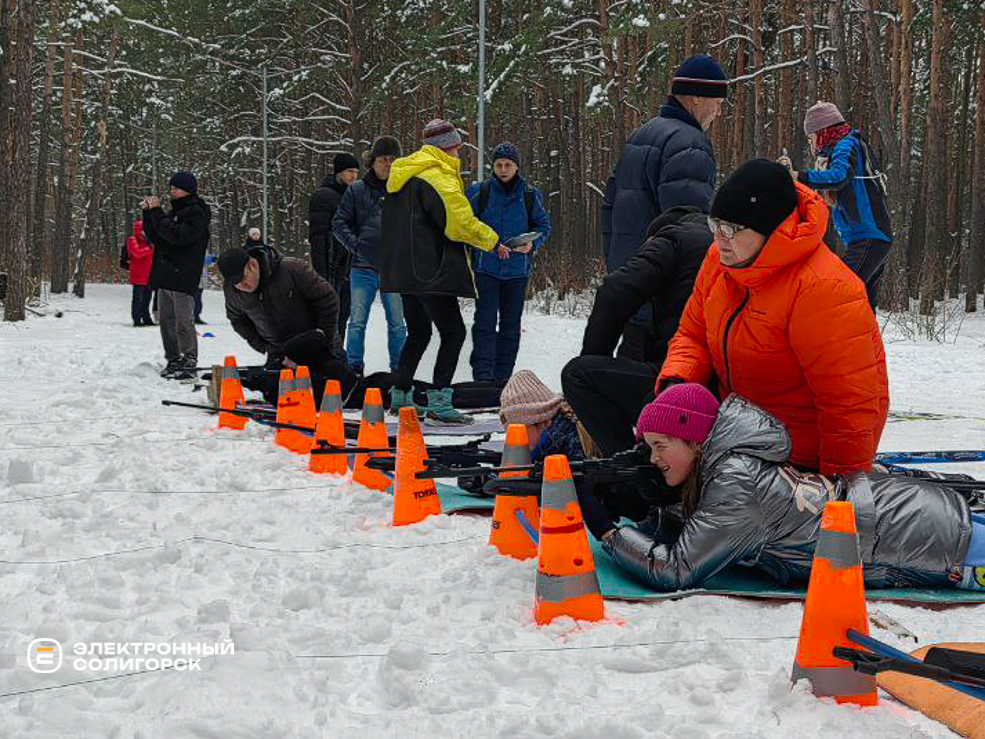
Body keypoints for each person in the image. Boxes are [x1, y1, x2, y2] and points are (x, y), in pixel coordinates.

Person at [580, 384, 984, 593]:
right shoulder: (732, 465)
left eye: (660, 446)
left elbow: (676, 570)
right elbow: (711, 526)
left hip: (936, 539)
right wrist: (655, 514)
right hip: (902, 514)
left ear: (696, 441)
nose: (653, 458)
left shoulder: (735, 480)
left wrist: (609, 532)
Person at [658, 159, 889, 475]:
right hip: (736, 434)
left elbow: (849, 406)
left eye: (730, 229)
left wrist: (839, 490)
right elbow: (692, 334)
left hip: (794, 456)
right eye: (714, 225)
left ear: (773, 231)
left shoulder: (823, 287)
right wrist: (677, 386)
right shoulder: (720, 259)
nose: (718, 238)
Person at [601, 54, 728, 361]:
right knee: (662, 392)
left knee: (629, 387)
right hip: (665, 300)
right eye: (717, 100)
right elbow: (689, 233)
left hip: (634, 287)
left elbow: (609, 208)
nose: (719, 110)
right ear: (696, 97)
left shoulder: (644, 133)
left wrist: (621, 271)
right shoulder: (690, 144)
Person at [561, 207, 712, 456]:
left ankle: (629, 465)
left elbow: (615, 291)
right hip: (720, 388)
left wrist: (593, 356)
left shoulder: (671, 238)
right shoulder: (723, 242)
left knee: (579, 375)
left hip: (681, 381)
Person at [379, 119, 500, 424]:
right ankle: (440, 400)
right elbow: (458, 223)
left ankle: (401, 395)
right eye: (457, 146)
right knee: (453, 331)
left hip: (404, 271)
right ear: (448, 147)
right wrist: (492, 240)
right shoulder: (438, 176)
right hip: (430, 270)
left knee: (418, 332)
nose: (460, 152)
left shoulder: (403, 175)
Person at [779, 102, 893, 311]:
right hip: (869, 237)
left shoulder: (845, 145)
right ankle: (865, 343)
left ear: (823, 132)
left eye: (811, 136)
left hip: (870, 236)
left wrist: (797, 176)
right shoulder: (841, 147)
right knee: (863, 307)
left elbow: (840, 176)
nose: (811, 143)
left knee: (839, 294)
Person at [216, 245, 356, 403]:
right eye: (235, 284)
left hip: (321, 349)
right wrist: (264, 346)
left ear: (253, 265)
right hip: (279, 353)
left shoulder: (292, 269)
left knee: (338, 397)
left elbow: (328, 300)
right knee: (278, 397)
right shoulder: (232, 290)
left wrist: (322, 339)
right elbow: (237, 318)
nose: (241, 286)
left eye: (242, 279)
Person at [466, 142, 551, 383]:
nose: (503, 169)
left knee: (510, 327)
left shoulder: (530, 195)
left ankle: (503, 378)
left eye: (508, 165)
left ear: (517, 167)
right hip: (486, 269)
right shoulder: (479, 192)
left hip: (517, 271)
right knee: (484, 324)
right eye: (499, 165)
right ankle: (482, 376)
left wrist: (532, 244)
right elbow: (467, 226)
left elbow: (543, 226)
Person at [333, 137, 407, 375]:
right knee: (356, 322)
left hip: (394, 268)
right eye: (383, 159)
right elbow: (339, 223)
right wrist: (356, 246)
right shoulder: (356, 190)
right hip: (363, 267)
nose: (388, 164)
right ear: (372, 161)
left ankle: (398, 369)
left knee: (397, 325)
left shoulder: (404, 189)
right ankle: (355, 367)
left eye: (393, 159)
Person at [141, 171, 211, 380]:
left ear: (188, 190)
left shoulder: (197, 213)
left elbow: (177, 236)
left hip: (183, 275)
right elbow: (157, 236)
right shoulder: (173, 212)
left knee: (183, 321)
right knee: (166, 321)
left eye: (176, 188)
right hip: (166, 275)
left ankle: (189, 360)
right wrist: (149, 214)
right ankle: (173, 358)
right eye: (171, 188)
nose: (172, 191)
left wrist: (158, 213)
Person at [310, 153, 359, 341]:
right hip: (331, 264)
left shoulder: (354, 195)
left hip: (350, 264)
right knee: (329, 314)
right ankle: (326, 353)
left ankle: (338, 353)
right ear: (339, 172)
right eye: (349, 171)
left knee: (344, 313)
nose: (353, 176)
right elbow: (317, 235)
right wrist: (321, 270)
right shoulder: (324, 195)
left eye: (356, 172)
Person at [499, 370, 587, 463]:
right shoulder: (550, 444)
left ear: (545, 421)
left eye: (521, 431)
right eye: (511, 433)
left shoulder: (572, 446)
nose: (515, 440)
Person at [126, 219, 155, 327]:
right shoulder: (132, 239)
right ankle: (137, 319)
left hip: (148, 274)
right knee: (137, 298)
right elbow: (137, 253)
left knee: (147, 298)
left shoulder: (148, 241)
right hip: (138, 274)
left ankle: (146, 317)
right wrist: (149, 249)